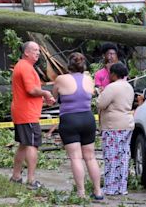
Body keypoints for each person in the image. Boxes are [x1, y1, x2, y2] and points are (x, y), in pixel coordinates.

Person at [52, 52, 103, 200]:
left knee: (75, 158)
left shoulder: (61, 79)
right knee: (91, 157)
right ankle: (98, 191)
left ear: (69, 65)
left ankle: (81, 193)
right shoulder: (89, 79)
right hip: (88, 119)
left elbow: (54, 97)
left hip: (69, 120)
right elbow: (92, 93)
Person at [10, 41, 55, 190]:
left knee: (23, 144)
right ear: (26, 52)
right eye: (35, 50)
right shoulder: (25, 67)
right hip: (27, 113)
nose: (38, 53)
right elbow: (31, 90)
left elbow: (29, 91)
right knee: (32, 145)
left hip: (23, 112)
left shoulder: (23, 66)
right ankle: (31, 180)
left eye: (39, 50)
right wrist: (46, 92)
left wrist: (43, 98)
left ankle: (16, 176)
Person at [97, 62, 135, 196]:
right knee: (123, 156)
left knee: (111, 157)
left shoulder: (112, 87)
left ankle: (110, 188)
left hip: (113, 126)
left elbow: (101, 103)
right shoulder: (129, 87)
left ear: (113, 74)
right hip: (127, 124)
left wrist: (100, 93)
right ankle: (121, 187)